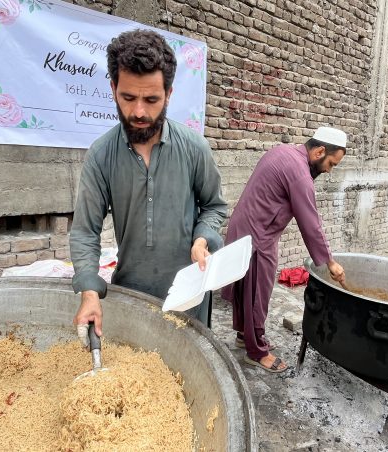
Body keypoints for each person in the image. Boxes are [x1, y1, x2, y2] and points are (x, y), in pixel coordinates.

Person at [70, 29, 227, 340]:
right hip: (132, 296)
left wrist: (202, 239)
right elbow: (85, 231)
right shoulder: (101, 156)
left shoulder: (194, 147)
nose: (139, 111)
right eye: (128, 97)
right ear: (113, 88)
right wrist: (89, 289)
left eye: (151, 99)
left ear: (169, 94)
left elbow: (214, 206)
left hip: (190, 295)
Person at [221, 127, 348, 373]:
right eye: (331, 164)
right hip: (258, 236)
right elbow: (311, 224)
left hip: (248, 227)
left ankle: (243, 335)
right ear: (319, 151)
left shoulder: (284, 152)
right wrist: (330, 262)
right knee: (258, 293)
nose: (329, 170)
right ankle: (256, 352)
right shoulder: (300, 173)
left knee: (246, 290)